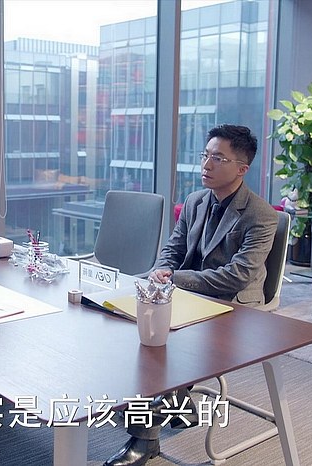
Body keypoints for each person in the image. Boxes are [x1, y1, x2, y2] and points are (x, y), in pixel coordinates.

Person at [105, 124, 278, 466]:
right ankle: (176, 403)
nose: (206, 164)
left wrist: (176, 280)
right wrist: (161, 271)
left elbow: (237, 276)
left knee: (161, 345)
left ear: (242, 169)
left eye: (218, 158)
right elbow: (172, 250)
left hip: (233, 305)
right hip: (186, 294)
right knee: (126, 319)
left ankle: (144, 440)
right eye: (205, 155)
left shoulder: (260, 215)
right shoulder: (196, 201)